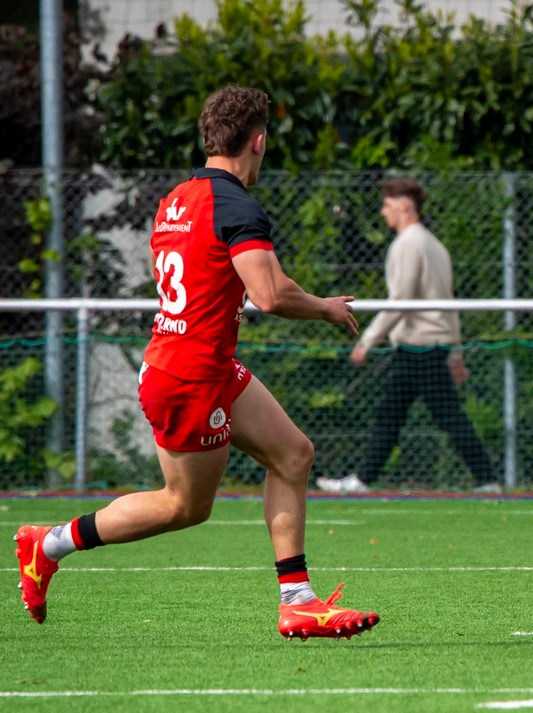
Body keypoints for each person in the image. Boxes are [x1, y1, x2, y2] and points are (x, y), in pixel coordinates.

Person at [15, 85, 379, 641]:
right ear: (257, 140)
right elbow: (269, 295)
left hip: (195, 364)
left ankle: (298, 600)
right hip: (190, 378)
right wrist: (326, 310)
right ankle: (49, 544)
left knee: (293, 453)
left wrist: (313, 301)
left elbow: (265, 281)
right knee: (184, 506)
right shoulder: (236, 204)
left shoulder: (178, 198)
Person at [316, 178, 499, 494]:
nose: (383, 212)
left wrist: (366, 340)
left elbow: (399, 301)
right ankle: (364, 479)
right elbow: (449, 304)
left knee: (433, 416)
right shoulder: (435, 245)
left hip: (420, 348)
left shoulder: (408, 244)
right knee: (401, 413)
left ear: (404, 206)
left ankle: (486, 480)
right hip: (431, 347)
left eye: (387, 205)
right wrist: (455, 352)